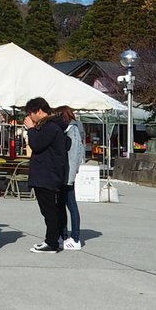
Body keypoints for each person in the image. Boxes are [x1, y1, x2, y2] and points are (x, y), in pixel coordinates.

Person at [23, 97, 70, 253]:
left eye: (31, 113)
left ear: (38, 110)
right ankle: (52, 239)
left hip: (46, 175)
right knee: (51, 209)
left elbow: (36, 145)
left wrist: (30, 129)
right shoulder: (54, 126)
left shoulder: (49, 127)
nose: (30, 117)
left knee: (49, 210)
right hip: (50, 173)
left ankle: (52, 242)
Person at [58, 106, 84, 250]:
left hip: (68, 174)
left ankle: (75, 237)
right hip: (64, 173)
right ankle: (64, 235)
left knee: (71, 205)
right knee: (62, 205)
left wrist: (70, 176)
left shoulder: (72, 130)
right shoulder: (68, 129)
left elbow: (74, 155)